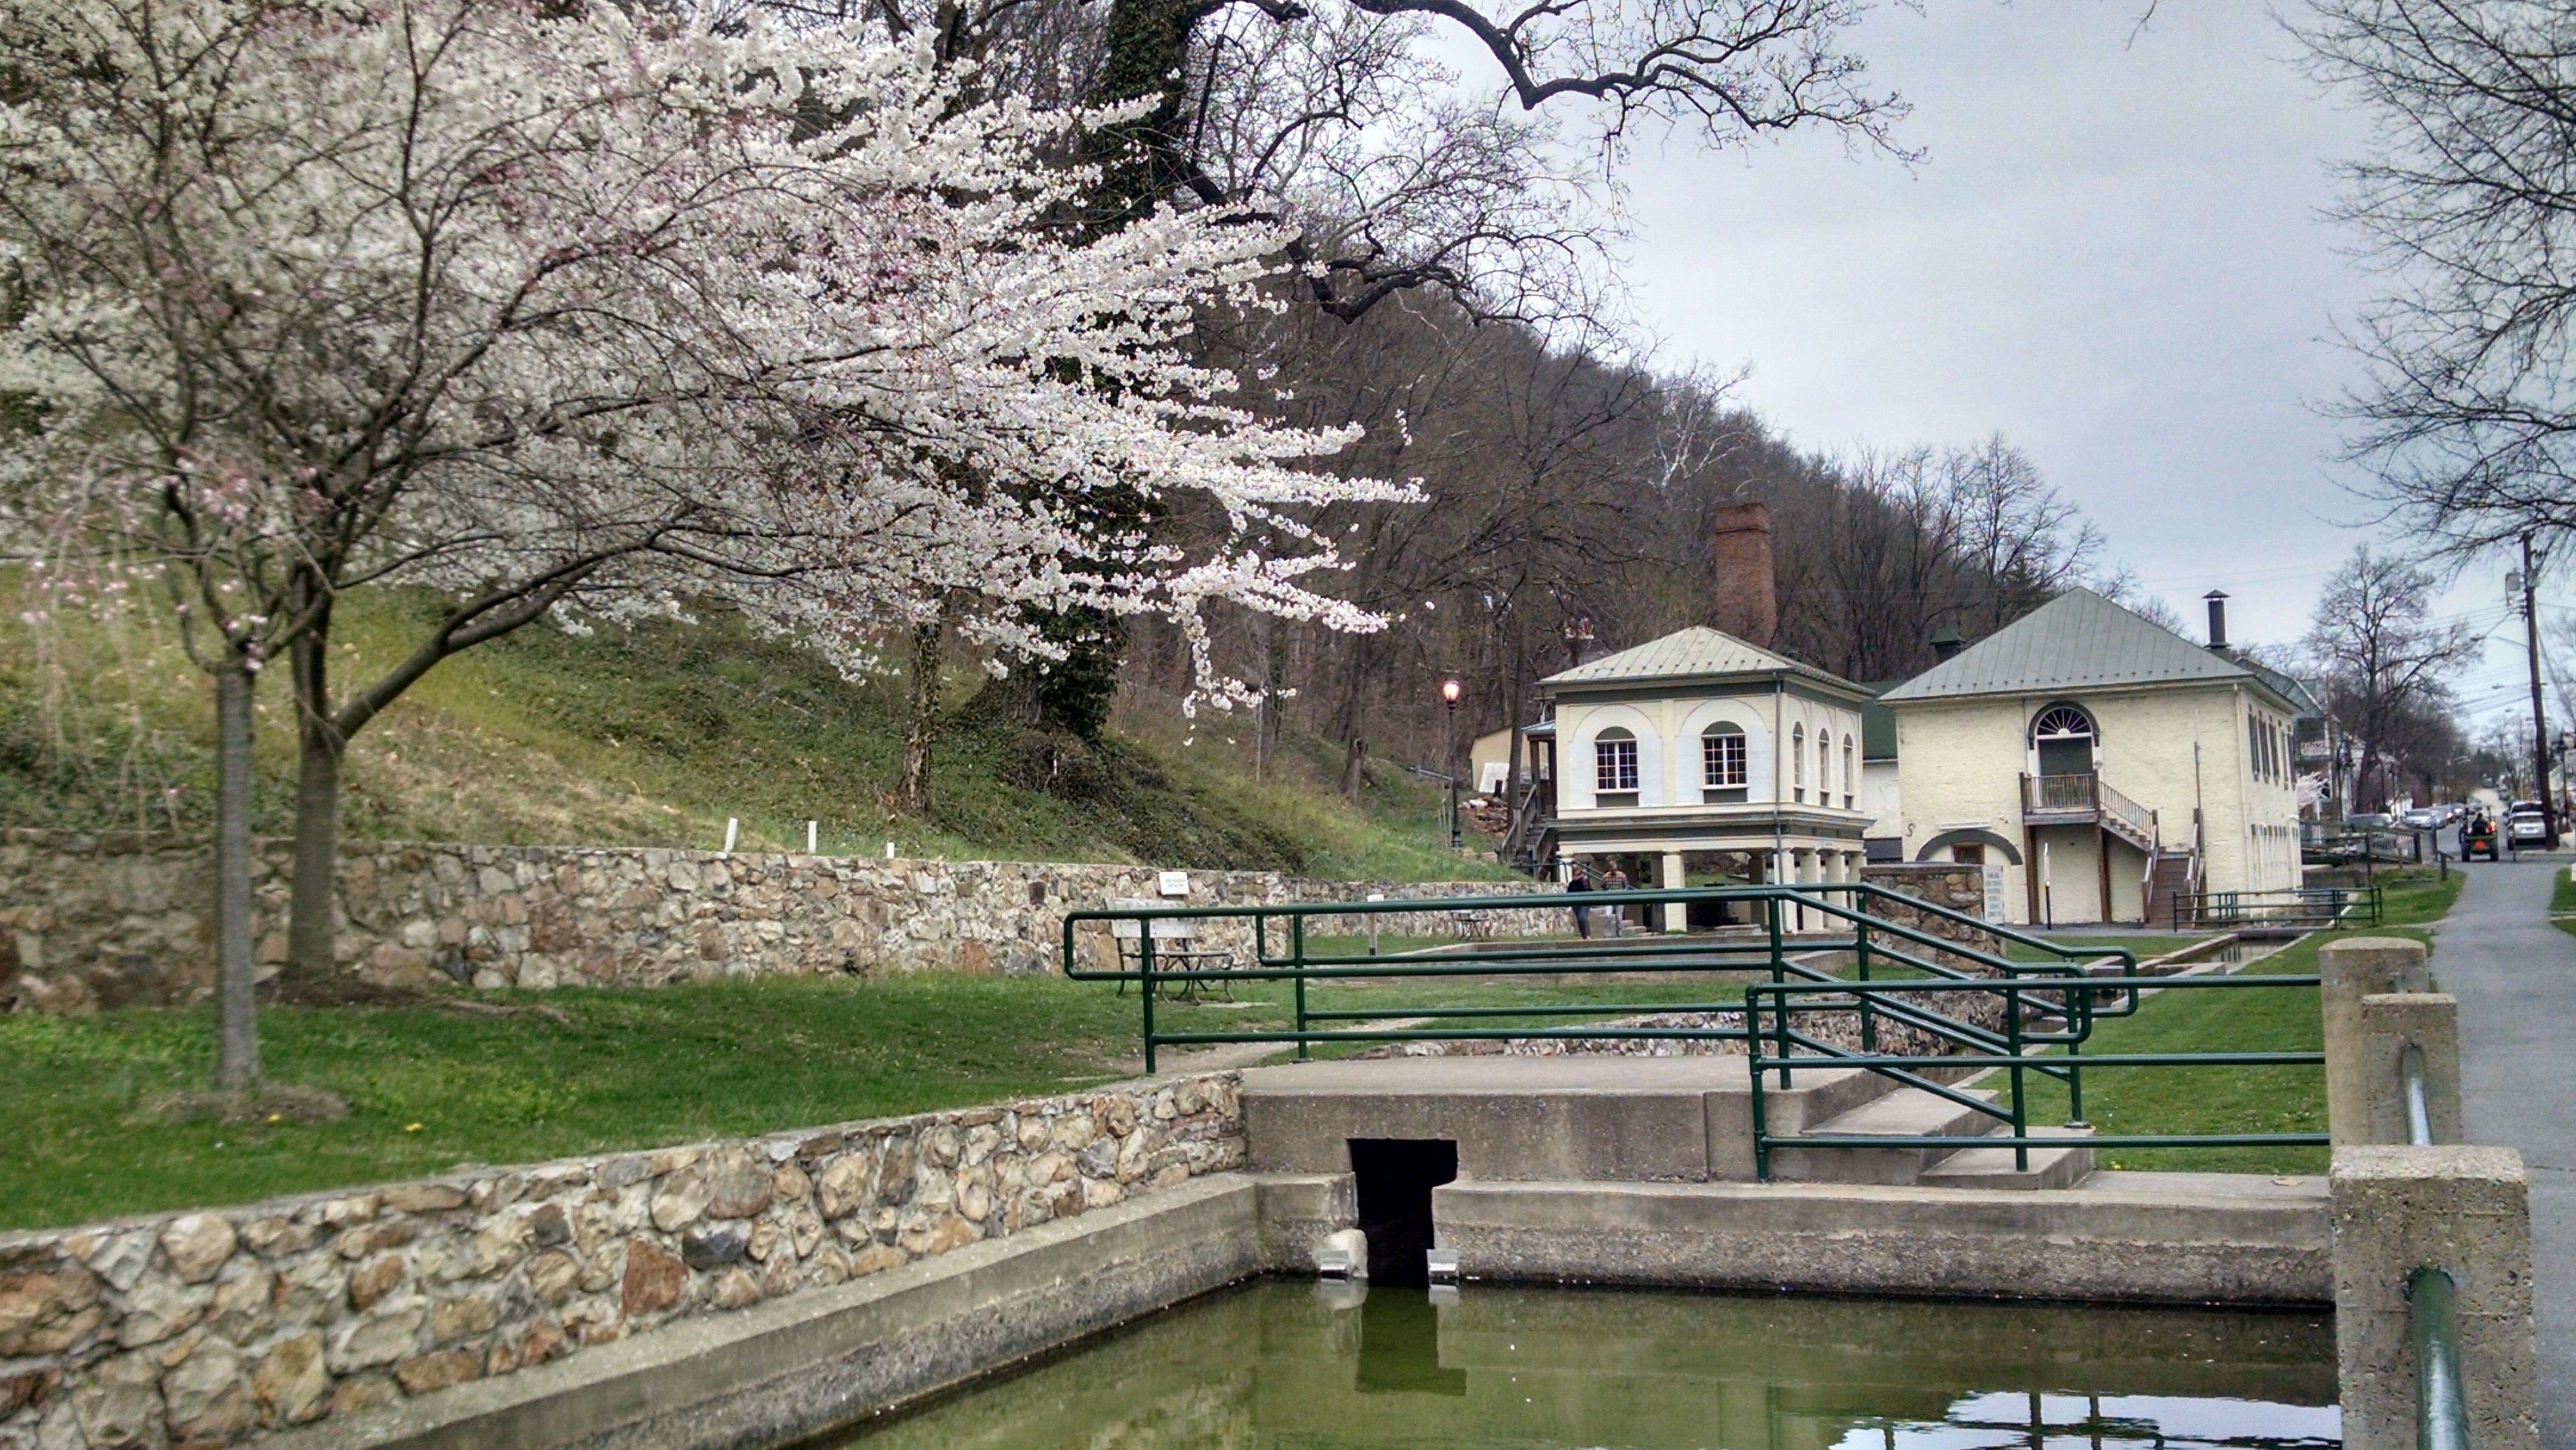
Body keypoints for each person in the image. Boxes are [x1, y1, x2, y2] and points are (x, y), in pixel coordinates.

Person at [1600, 862, 1630, 937]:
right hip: (1609, 898)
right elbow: (1602, 886)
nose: (1614, 871)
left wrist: (1624, 893)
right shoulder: (1606, 877)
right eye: (1613, 870)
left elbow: (1626, 886)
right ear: (1610, 869)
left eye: (1615, 869)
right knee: (1608, 915)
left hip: (1619, 897)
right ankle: (1608, 933)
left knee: (1619, 917)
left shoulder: (1622, 875)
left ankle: (1619, 932)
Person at [1566, 863, 1593, 938]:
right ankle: (1583, 935)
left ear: (1581, 874)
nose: (1576, 876)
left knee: (1582, 917)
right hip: (1576, 903)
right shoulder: (1572, 884)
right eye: (1575, 874)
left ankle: (1587, 934)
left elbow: (1589, 891)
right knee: (1580, 919)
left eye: (1578, 874)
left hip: (1585, 902)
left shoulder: (1585, 882)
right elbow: (1569, 892)